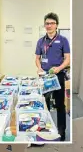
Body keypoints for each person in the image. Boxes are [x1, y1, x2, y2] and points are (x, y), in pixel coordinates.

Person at [35, 12, 70, 141]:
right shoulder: (41, 41)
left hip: (58, 76)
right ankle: (45, 131)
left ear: (56, 25)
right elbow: (37, 59)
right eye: (47, 23)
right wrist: (39, 68)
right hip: (44, 77)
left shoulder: (63, 40)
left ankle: (62, 132)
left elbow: (67, 59)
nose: (49, 25)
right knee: (44, 104)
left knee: (60, 104)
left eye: (51, 23)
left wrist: (59, 68)